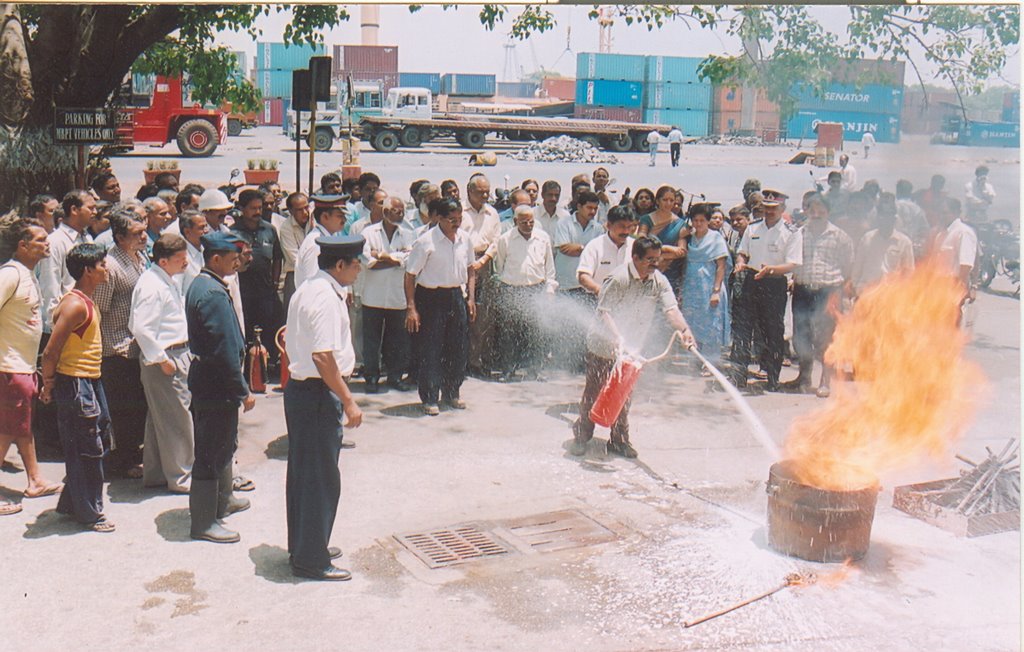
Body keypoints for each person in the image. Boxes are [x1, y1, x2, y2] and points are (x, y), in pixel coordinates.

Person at [284, 233, 365, 581]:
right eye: (357, 262)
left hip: (305, 392)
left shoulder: (312, 287)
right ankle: (311, 559)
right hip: (317, 393)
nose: (360, 268)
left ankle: (307, 545)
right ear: (341, 264)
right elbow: (322, 356)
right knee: (319, 479)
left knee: (306, 475)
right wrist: (348, 400)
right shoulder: (326, 298)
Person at [570, 236, 695, 459]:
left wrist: (685, 331)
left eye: (657, 259)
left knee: (623, 394)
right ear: (635, 258)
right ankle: (582, 436)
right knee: (595, 391)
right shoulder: (618, 278)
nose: (654, 264)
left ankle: (619, 440)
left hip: (632, 349)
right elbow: (604, 311)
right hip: (603, 345)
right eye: (649, 259)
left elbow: (671, 310)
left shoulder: (659, 280)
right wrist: (618, 338)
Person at [184, 232, 256, 544]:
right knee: (211, 450)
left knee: (223, 444)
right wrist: (243, 389)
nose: (237, 262)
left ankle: (222, 501)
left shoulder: (204, 284)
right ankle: (203, 522)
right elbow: (224, 349)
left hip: (210, 379)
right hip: (216, 384)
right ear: (216, 259)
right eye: (232, 257)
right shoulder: (212, 293)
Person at [40, 243, 114, 532]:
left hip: (90, 381)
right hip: (75, 383)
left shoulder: (87, 300)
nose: (106, 269)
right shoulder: (74, 305)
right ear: (88, 271)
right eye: (102, 265)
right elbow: (50, 352)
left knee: (95, 441)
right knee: (87, 449)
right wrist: (48, 385)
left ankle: (72, 503)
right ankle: (90, 513)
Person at [0, 217, 62, 516]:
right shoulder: (10, 275)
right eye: (39, 239)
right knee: (7, 429)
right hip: (8, 367)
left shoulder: (28, 273)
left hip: (23, 365)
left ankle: (35, 479)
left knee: (21, 425)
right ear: (22, 245)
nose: (46, 242)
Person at [130, 234, 194, 493]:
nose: (186, 262)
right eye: (180, 259)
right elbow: (141, 328)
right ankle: (182, 476)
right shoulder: (151, 285)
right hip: (165, 357)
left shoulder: (165, 279)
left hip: (175, 352)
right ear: (164, 261)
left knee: (160, 418)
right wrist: (161, 359)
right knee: (178, 419)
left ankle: (157, 473)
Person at [404, 198, 477, 416]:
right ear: (440, 219)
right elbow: (409, 276)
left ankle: (452, 393)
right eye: (452, 220)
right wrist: (411, 308)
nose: (457, 223)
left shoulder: (465, 239)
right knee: (431, 349)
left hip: (456, 295)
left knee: (458, 348)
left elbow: (471, 270)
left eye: (460, 219)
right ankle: (429, 397)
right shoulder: (426, 242)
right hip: (431, 297)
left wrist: (471, 298)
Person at [92, 209, 149, 479]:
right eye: (137, 233)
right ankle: (124, 460)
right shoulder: (110, 266)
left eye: (144, 230)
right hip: (116, 347)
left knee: (138, 405)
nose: (144, 236)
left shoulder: (140, 257)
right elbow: (99, 309)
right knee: (123, 409)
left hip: (137, 344)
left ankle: (134, 452)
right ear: (119, 237)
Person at [474, 204, 557, 382]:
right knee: (508, 333)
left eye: (531, 221)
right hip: (511, 289)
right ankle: (507, 370)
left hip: (536, 289)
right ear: (515, 221)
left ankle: (535, 370)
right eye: (524, 221)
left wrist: (549, 290)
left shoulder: (543, 238)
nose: (528, 224)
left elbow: (549, 267)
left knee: (536, 332)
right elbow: (500, 267)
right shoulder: (505, 239)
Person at [730, 189, 802, 393]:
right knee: (743, 330)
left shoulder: (792, 232)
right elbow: (743, 252)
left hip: (774, 282)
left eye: (774, 208)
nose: (769, 212)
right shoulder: (753, 228)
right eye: (766, 208)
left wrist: (771, 270)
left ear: (783, 208)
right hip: (751, 280)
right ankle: (738, 374)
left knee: (772, 332)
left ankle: (772, 377)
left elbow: (793, 263)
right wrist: (741, 262)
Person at [787, 192, 853, 399]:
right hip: (803, 289)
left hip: (828, 291)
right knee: (801, 336)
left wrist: (841, 292)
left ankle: (825, 380)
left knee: (826, 338)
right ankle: (804, 378)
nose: (816, 215)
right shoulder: (798, 234)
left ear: (828, 212)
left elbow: (848, 267)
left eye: (821, 211)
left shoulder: (840, 237)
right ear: (806, 211)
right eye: (812, 211)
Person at [361, 197, 416, 393]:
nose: (400, 215)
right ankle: (371, 378)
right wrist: (397, 258)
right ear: (385, 213)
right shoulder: (368, 233)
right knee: (371, 341)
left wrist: (383, 256)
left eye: (402, 212)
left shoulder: (408, 234)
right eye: (396, 211)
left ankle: (394, 377)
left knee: (397, 341)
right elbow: (368, 262)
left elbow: (411, 261)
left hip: (397, 295)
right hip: (373, 295)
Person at [230, 189, 283, 366]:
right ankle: (247, 367)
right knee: (244, 330)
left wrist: (275, 282)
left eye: (260, 208)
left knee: (269, 330)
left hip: (266, 292)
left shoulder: (269, 230)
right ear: (242, 209)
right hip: (242, 293)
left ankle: (267, 366)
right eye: (253, 208)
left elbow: (277, 257)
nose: (258, 212)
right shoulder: (232, 232)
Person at [553, 192, 605, 370]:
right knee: (565, 326)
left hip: (588, 284)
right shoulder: (564, 223)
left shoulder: (597, 228)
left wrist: (580, 248)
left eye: (595, 208)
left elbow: (595, 253)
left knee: (586, 327)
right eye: (589, 208)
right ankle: (564, 363)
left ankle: (581, 364)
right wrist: (588, 248)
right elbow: (565, 249)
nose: (592, 211)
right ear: (579, 207)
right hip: (566, 283)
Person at [37, 190, 95, 334]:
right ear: (74, 210)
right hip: (65, 327)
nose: (95, 212)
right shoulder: (55, 242)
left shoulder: (88, 239)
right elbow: (50, 287)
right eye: (90, 208)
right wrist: (56, 328)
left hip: (85, 320)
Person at [681, 204, 730, 363]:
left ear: (708, 221)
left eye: (702, 220)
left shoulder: (716, 238)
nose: (698, 223)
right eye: (695, 220)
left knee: (710, 324)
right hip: (692, 287)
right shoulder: (690, 238)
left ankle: (711, 362)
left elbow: (721, 266)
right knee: (693, 322)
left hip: (709, 286)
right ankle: (694, 360)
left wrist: (716, 291)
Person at [850, 195, 915, 296]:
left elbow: (908, 272)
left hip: (891, 295)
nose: (885, 219)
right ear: (878, 218)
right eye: (882, 216)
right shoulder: (867, 238)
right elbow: (857, 267)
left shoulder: (904, 242)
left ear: (894, 219)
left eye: (888, 216)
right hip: (867, 293)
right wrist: (855, 288)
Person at [577, 205, 639, 296]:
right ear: (609, 225)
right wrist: (599, 290)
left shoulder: (636, 246)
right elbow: (583, 276)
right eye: (621, 226)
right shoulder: (594, 246)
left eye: (629, 227)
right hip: (596, 300)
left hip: (628, 302)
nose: (626, 231)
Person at [638, 186, 689, 295]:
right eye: (665, 200)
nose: (668, 203)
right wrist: (666, 248)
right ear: (657, 201)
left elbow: (682, 251)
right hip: (647, 269)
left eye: (671, 200)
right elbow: (641, 241)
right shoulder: (647, 219)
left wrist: (662, 257)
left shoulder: (679, 223)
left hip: (670, 271)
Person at [932, 197, 978, 311]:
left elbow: (966, 265)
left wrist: (959, 291)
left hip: (953, 287)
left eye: (945, 213)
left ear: (956, 213)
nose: (942, 216)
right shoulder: (941, 235)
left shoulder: (963, 232)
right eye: (940, 213)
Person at [295, 195, 349, 288]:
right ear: (325, 217)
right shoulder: (316, 244)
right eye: (340, 216)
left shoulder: (328, 238)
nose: (344, 220)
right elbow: (311, 284)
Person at [277, 192, 314, 312]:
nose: (305, 212)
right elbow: (295, 259)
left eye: (306, 207)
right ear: (291, 211)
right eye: (299, 210)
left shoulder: (314, 221)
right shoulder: (286, 228)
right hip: (294, 275)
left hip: (315, 273)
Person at [895, 179, 929, 259]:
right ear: (910, 192)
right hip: (912, 246)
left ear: (897, 191)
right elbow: (925, 230)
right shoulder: (918, 209)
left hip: (894, 245)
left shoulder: (892, 207)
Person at [179, 209, 208, 295]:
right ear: (187, 231)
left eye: (206, 226)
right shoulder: (180, 257)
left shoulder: (207, 251)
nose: (206, 230)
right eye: (201, 228)